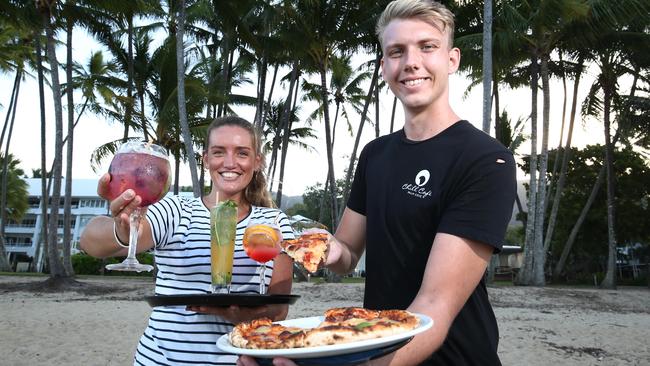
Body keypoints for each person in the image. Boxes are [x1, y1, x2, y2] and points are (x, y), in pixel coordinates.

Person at [238, 0, 515, 365]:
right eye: (397, 51)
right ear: (384, 66)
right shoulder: (376, 154)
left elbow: (435, 305)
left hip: (453, 356)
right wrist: (324, 248)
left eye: (427, 46)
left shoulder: (485, 160)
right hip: (375, 346)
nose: (411, 62)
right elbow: (348, 255)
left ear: (452, 59)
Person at [80, 115, 295, 365]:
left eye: (242, 153)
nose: (229, 162)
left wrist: (244, 316)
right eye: (218, 152)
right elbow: (91, 241)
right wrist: (124, 229)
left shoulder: (273, 222)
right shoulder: (176, 208)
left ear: (256, 161)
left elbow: (279, 309)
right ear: (205, 159)